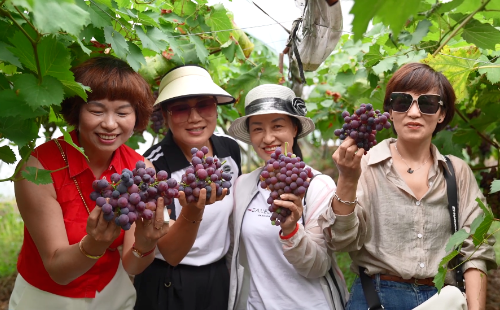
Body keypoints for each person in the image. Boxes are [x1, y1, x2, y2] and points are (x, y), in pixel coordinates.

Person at [9, 56, 212, 310]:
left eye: (122, 112)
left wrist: (145, 243)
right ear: (77, 111)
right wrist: (93, 244)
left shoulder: (140, 169)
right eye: (96, 110)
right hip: (45, 300)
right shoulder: (38, 168)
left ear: (136, 116)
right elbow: (58, 271)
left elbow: (132, 265)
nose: (109, 123)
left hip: (113, 297)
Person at [320, 63, 497, 310]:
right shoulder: (364, 165)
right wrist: (347, 180)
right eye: (403, 101)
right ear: (391, 111)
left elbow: (476, 251)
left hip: (441, 300)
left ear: (442, 114)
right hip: (376, 299)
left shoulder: (457, 173)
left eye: (427, 103)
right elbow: (341, 242)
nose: (414, 112)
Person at [227, 84, 348, 310]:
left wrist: (291, 230)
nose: (268, 137)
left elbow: (318, 266)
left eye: (278, 126)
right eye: (257, 129)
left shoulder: (317, 185)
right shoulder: (242, 185)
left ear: (294, 129)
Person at [135, 65, 241, 310]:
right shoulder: (152, 168)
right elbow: (170, 252)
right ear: (165, 114)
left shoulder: (229, 151)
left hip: (218, 277)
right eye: (181, 108)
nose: (195, 118)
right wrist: (193, 211)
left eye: (204, 105)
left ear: (215, 107)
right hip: (168, 283)